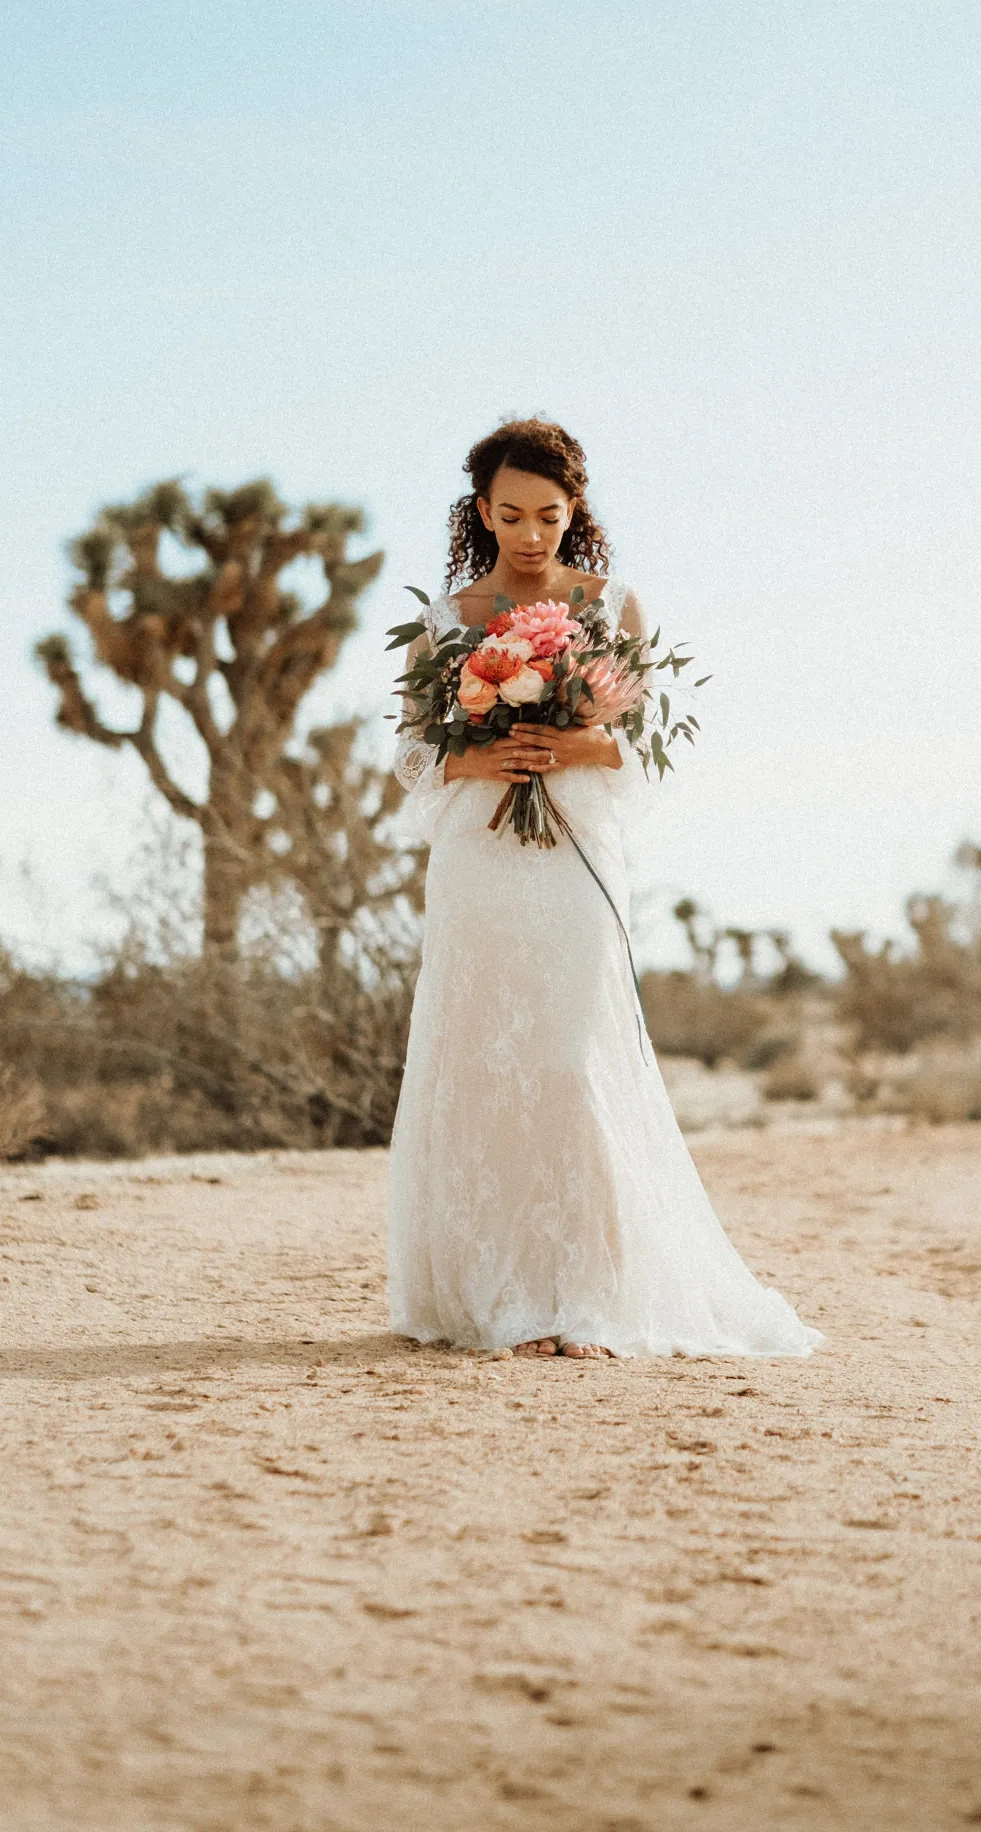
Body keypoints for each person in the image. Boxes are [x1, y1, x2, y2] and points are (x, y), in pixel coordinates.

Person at [388, 418, 824, 1362]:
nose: (530, 534)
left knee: (565, 1055)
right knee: (482, 1060)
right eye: (510, 515)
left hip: (577, 855)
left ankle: (582, 1294)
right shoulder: (446, 619)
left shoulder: (612, 603)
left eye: (548, 515)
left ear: (574, 510)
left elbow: (643, 750)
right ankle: (491, 1296)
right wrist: (486, 753)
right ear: (482, 513)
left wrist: (575, 742)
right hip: (480, 861)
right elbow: (413, 757)